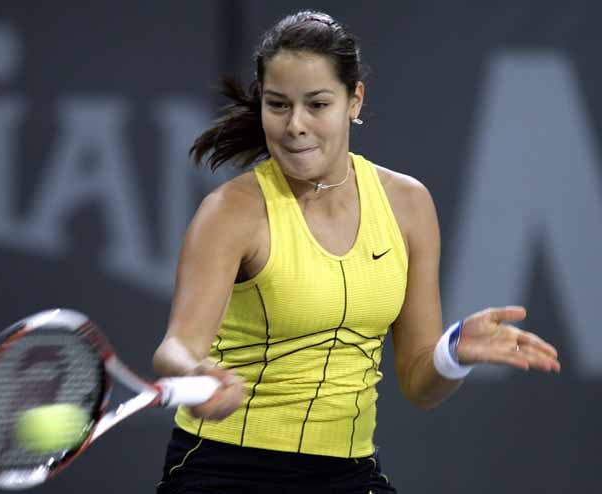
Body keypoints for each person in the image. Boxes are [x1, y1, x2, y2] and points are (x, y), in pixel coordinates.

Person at [152, 10, 560, 493]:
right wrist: (194, 372)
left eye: (317, 104)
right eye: (278, 105)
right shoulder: (230, 212)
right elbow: (175, 346)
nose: (295, 126)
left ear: (354, 100)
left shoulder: (408, 204)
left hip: (349, 474)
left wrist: (452, 354)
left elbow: (419, 384)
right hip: (224, 471)